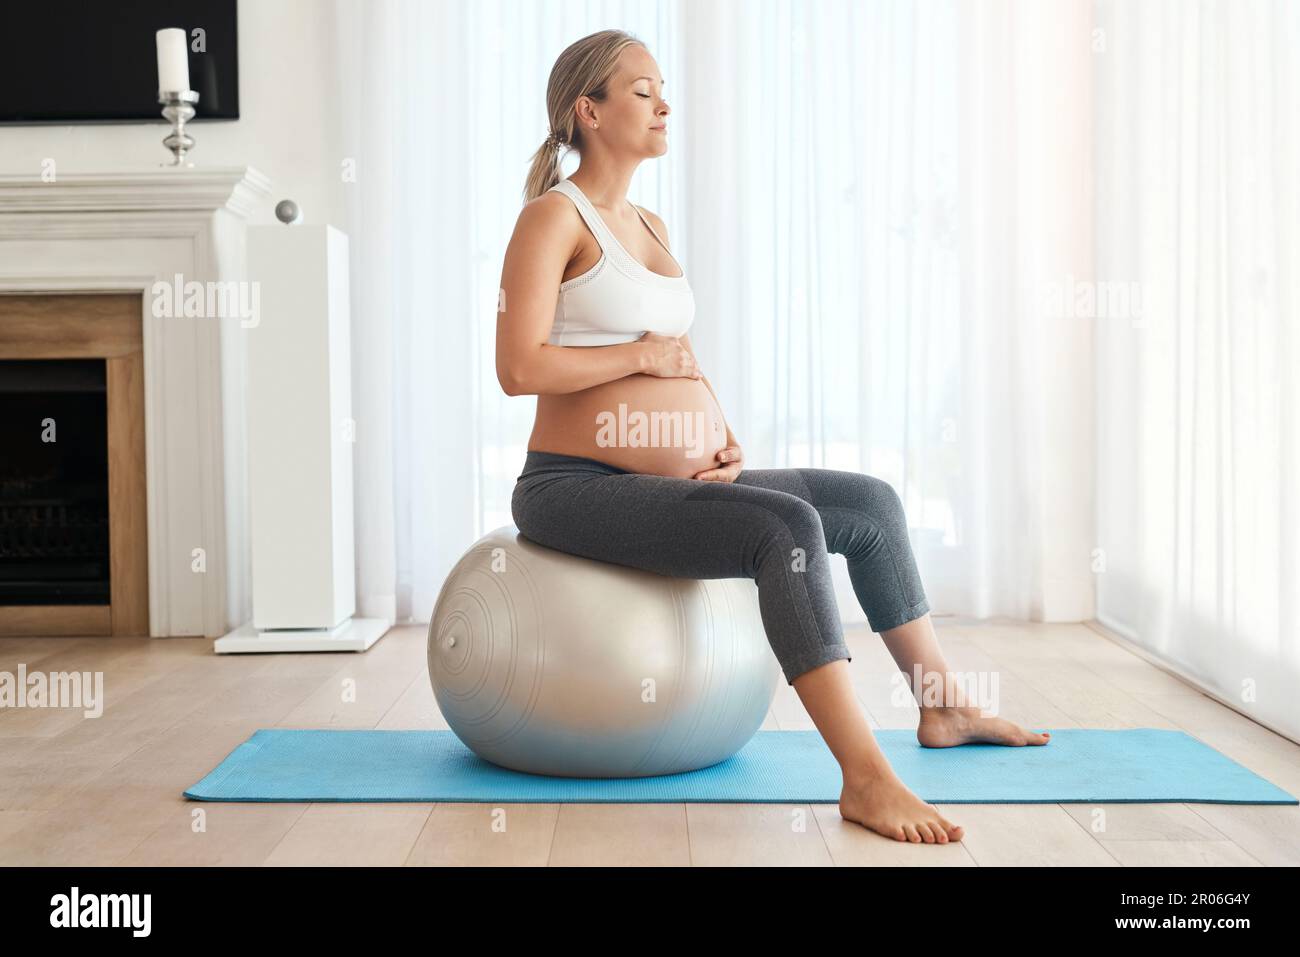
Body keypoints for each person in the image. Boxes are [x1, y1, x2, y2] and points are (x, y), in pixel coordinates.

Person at [496, 29, 1049, 844]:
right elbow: (518, 365)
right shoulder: (553, 217)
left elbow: (681, 354)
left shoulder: (647, 224)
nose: (665, 104)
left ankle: (945, 704)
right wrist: (641, 354)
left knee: (868, 503)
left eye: (662, 89)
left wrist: (719, 439)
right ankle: (864, 777)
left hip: (678, 480)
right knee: (785, 528)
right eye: (644, 91)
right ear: (591, 109)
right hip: (573, 488)